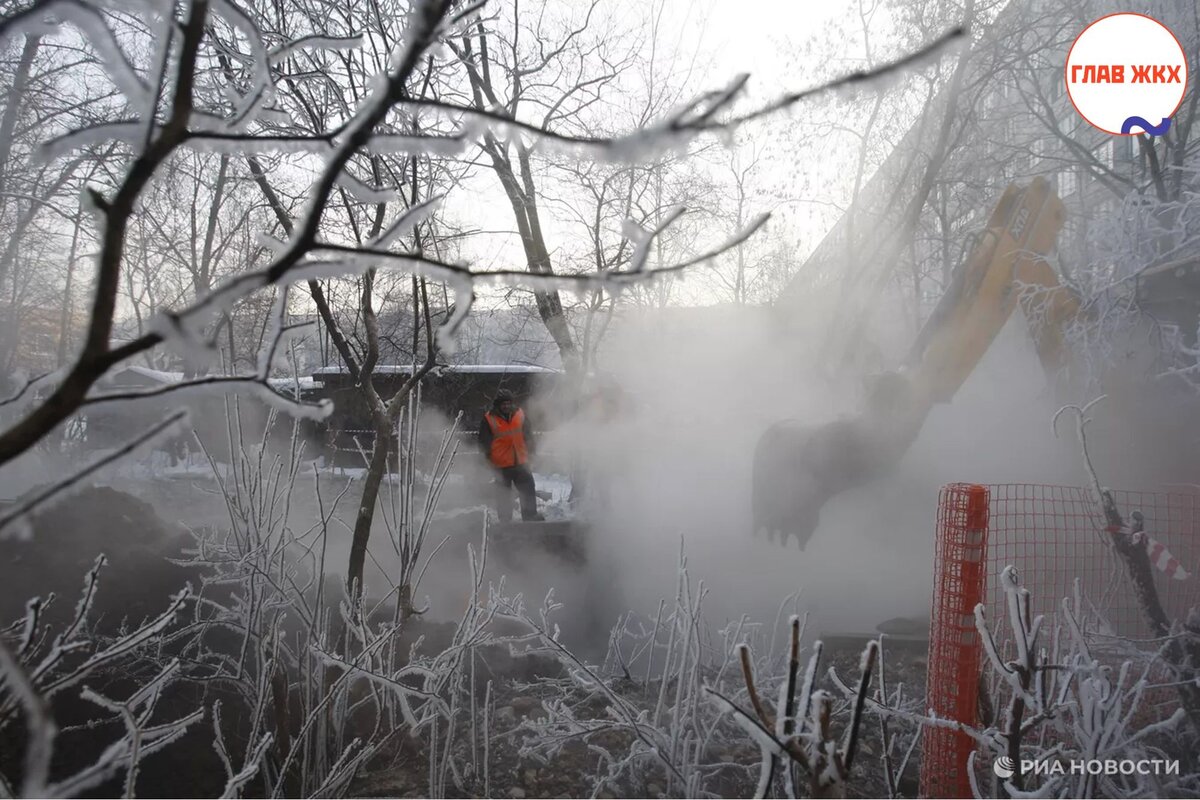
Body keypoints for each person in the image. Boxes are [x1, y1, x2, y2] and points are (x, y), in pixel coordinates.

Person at [479, 389, 544, 522]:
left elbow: (528, 435)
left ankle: (530, 516)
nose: (506, 406)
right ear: (497, 405)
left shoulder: (520, 415)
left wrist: (531, 451)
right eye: (503, 404)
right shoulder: (489, 419)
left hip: (521, 461)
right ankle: (505, 520)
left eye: (508, 403)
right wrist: (488, 459)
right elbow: (484, 442)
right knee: (503, 494)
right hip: (501, 464)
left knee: (527, 489)